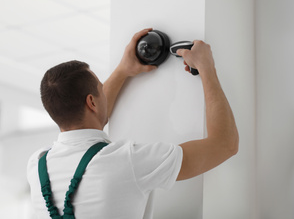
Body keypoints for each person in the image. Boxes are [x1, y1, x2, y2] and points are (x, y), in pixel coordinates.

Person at [27, 28, 239, 218]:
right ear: (91, 101)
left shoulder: (37, 164)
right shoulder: (126, 161)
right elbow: (224, 144)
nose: (104, 93)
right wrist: (206, 67)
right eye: (101, 89)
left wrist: (123, 70)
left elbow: (89, 123)